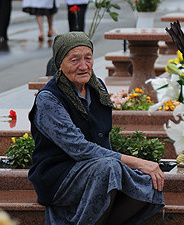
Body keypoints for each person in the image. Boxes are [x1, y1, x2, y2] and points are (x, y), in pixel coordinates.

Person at [28, 32, 164, 225]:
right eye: (74, 60)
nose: (83, 66)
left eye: (88, 58)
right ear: (60, 63)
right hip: (58, 178)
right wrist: (138, 162)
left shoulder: (96, 87)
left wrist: (140, 168)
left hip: (94, 169)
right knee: (110, 168)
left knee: (150, 182)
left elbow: (103, 140)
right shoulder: (48, 99)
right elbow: (79, 148)